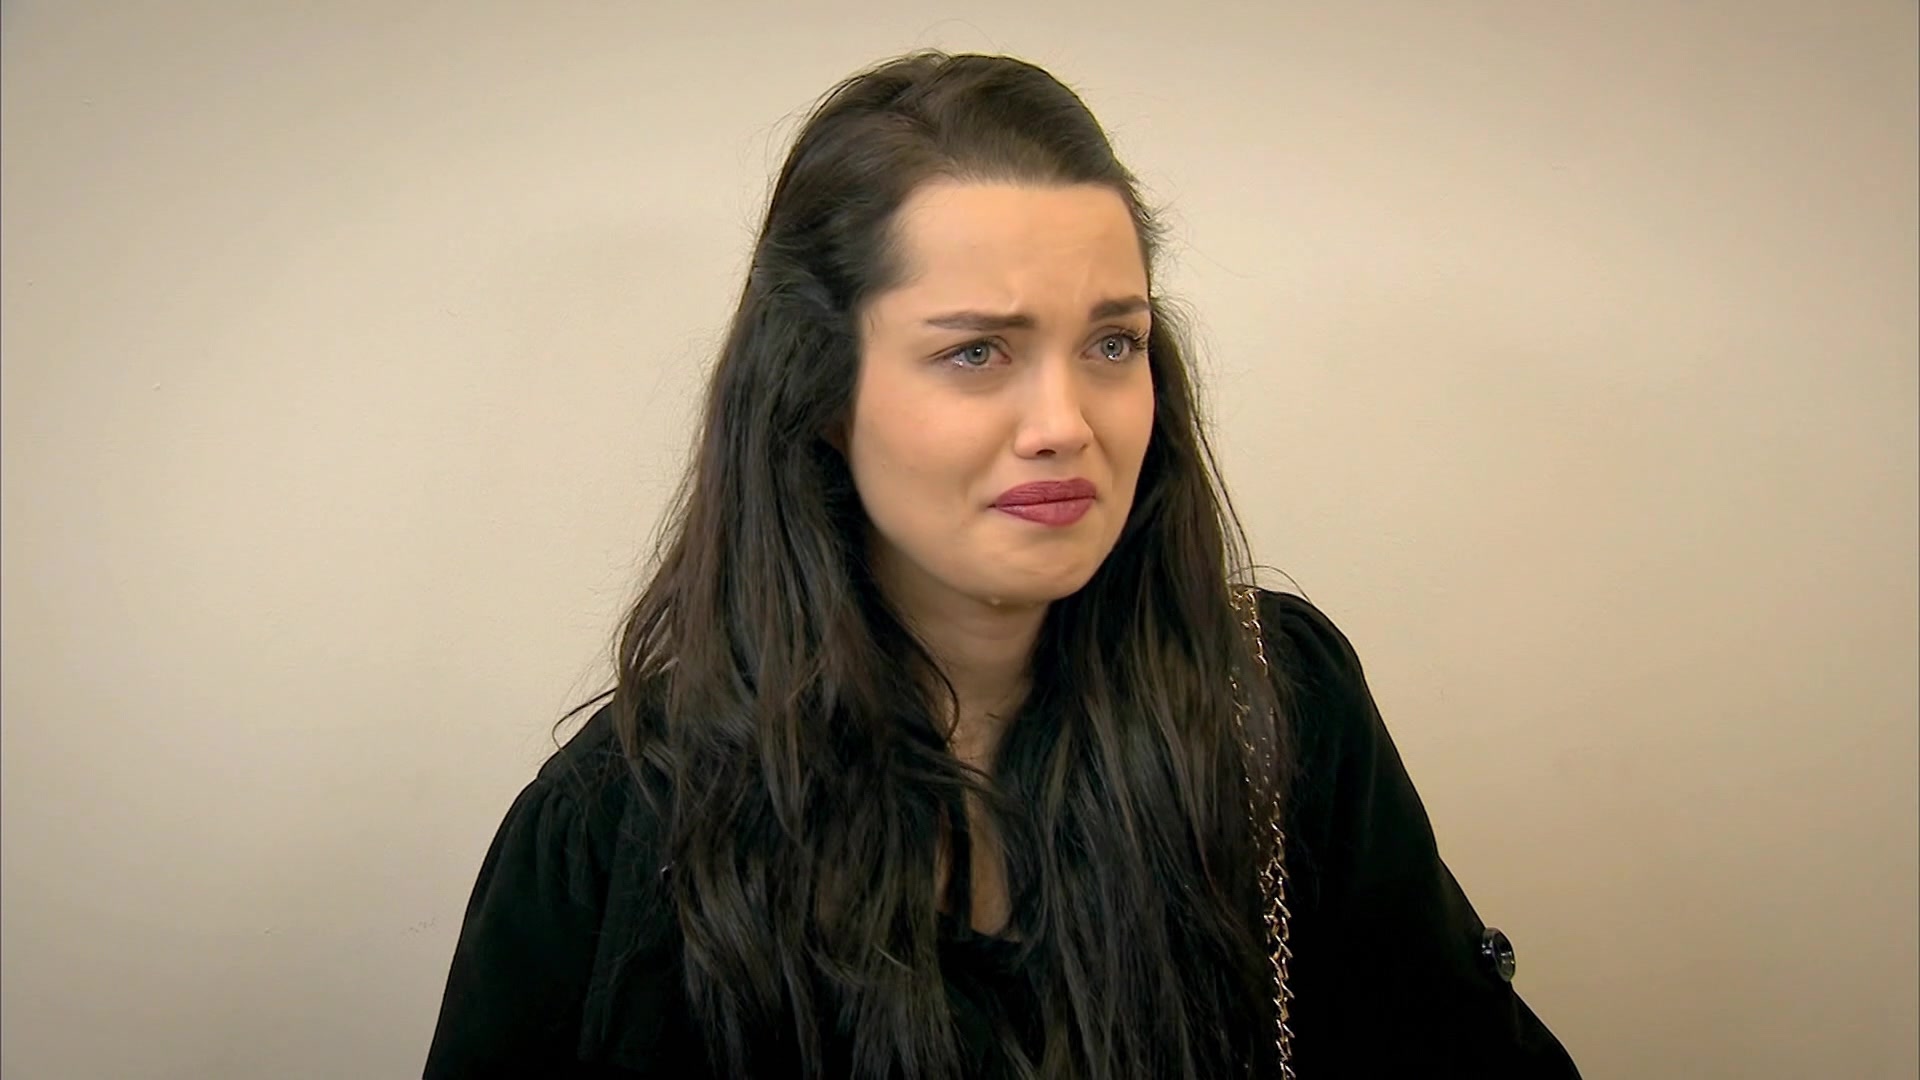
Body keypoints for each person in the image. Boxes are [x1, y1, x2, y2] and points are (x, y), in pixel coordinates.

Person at [423, 50, 1580, 1079]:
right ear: (820, 394)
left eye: (1113, 343)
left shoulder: (1278, 709)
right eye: (978, 351)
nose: (1065, 423)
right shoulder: (615, 835)